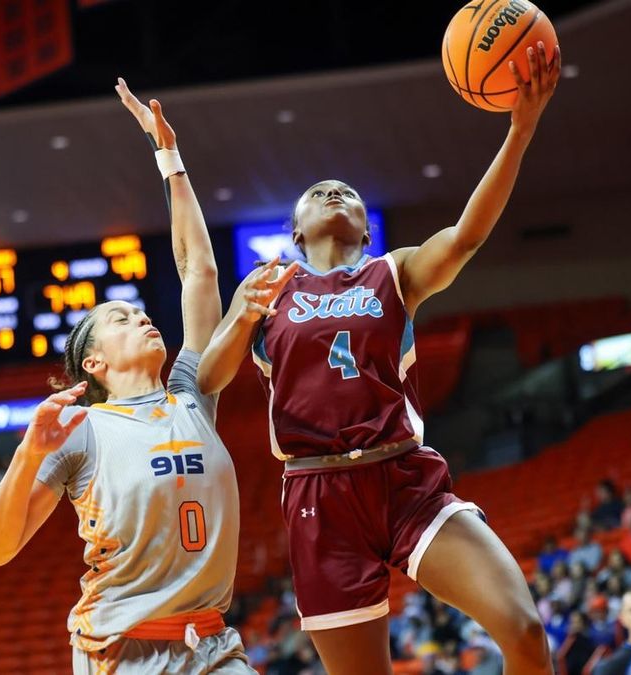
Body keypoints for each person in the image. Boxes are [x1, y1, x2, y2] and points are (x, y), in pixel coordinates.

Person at [194, 41, 561, 675]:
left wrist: (520, 130)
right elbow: (208, 380)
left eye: (347, 192)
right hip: (318, 498)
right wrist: (239, 316)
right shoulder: (267, 289)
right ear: (296, 230)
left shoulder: (395, 273)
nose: (334, 192)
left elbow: (468, 235)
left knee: (524, 628)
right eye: (319, 192)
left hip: (405, 480)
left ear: (367, 230)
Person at [0, 79, 252, 673]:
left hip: (211, 644)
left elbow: (198, 274)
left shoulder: (190, 394)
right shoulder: (82, 431)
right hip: (122, 651)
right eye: (121, 319)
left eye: (140, 311)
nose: (144, 317)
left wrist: (170, 160)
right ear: (93, 363)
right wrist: (27, 454)